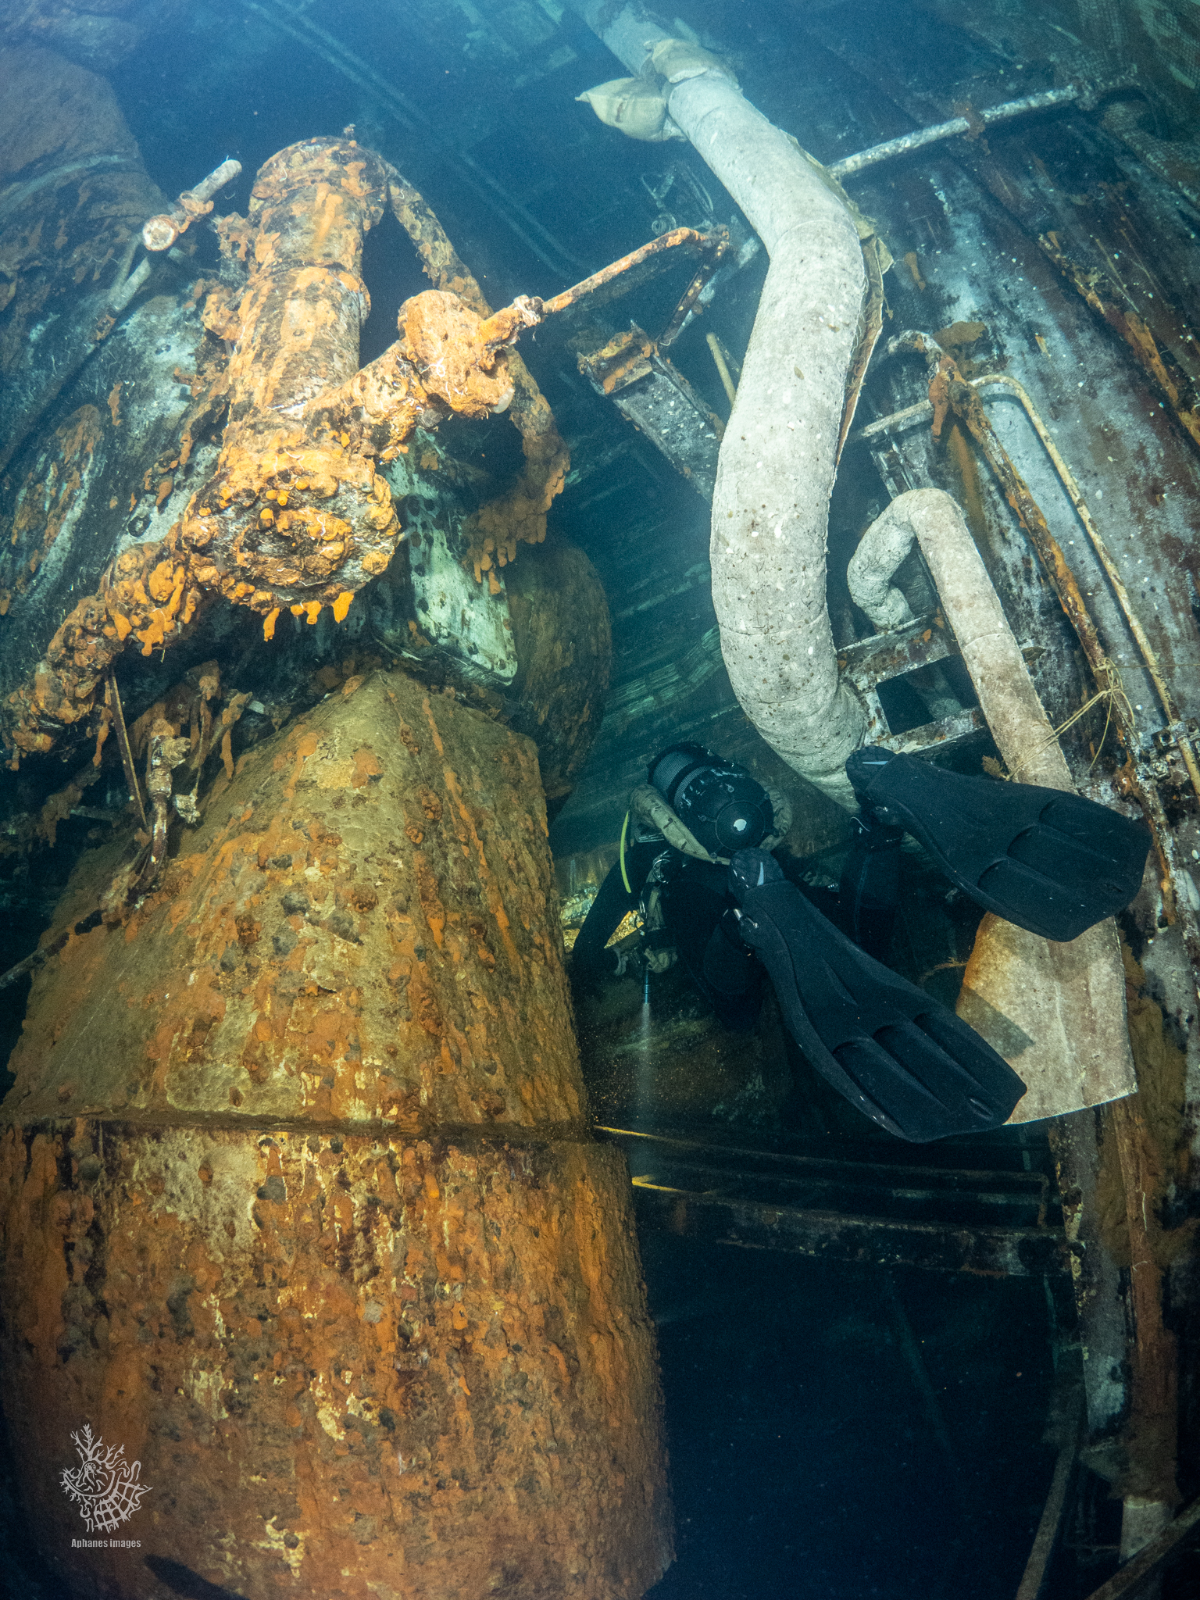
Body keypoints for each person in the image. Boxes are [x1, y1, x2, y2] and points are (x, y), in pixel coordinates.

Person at [570, 740, 1149, 1142]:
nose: (707, 795)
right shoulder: (655, 861)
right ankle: (786, 903)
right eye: (689, 790)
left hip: (787, 912)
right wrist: (593, 962)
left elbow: (862, 930)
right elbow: (720, 988)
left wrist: (870, 840)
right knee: (745, 994)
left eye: (703, 780)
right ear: (665, 811)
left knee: (853, 927)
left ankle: (883, 820)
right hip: (728, 955)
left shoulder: (762, 829)